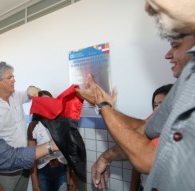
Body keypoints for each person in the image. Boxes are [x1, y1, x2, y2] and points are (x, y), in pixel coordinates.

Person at [76, 0, 195, 189]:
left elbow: (146, 159)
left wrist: (103, 106)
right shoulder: (186, 81)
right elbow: (144, 129)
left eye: (176, 45)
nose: (147, 7)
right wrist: (105, 109)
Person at [0, 61, 40, 191]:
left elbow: (31, 92)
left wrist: (32, 88)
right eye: (9, 77)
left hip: (23, 167)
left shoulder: (16, 96)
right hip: (2, 173)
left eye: (13, 76)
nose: (14, 80)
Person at [27, 90, 76, 191]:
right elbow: (30, 156)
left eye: (51, 101)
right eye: (45, 102)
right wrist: (35, 184)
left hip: (61, 172)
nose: (49, 105)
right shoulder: (33, 125)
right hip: (42, 173)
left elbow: (70, 152)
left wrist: (72, 177)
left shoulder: (61, 123)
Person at [129, 84, 173, 191]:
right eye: (155, 104)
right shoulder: (149, 128)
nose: (157, 108)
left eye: (161, 104)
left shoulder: (179, 131)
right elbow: (137, 162)